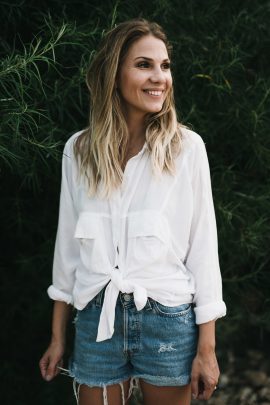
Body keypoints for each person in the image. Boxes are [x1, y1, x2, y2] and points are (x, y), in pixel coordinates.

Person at [39, 18, 226, 405]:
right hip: (96, 321)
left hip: (167, 322)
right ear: (114, 74)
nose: (159, 77)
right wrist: (58, 336)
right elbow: (68, 249)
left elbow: (204, 251)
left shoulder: (187, 149)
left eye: (165, 66)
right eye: (144, 65)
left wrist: (206, 349)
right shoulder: (79, 151)